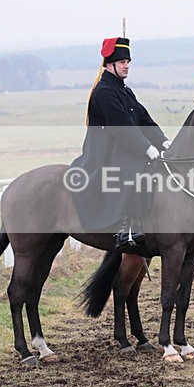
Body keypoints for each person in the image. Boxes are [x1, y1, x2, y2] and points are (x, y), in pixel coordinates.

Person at [70, 37, 170, 251]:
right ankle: (128, 226)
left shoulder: (124, 90)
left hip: (124, 146)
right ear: (109, 64)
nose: (127, 66)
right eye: (122, 62)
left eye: (128, 62)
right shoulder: (104, 91)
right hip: (105, 150)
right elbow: (122, 128)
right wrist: (147, 149)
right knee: (134, 169)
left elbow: (144, 119)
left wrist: (163, 142)